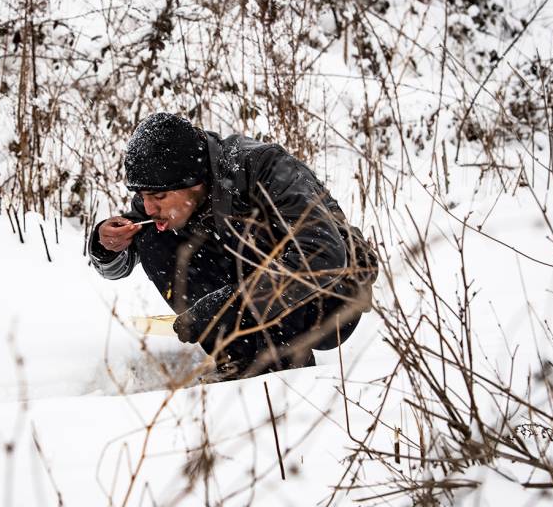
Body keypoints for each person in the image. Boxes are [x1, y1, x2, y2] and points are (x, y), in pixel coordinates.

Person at [88, 112, 377, 381]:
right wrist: (107, 246)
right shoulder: (161, 195)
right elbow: (119, 264)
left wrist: (233, 303)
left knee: (246, 247)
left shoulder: (264, 167)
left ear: (193, 181)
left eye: (159, 196)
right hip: (251, 290)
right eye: (142, 195)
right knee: (152, 237)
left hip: (331, 294)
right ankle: (241, 358)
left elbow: (324, 255)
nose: (147, 207)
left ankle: (280, 372)